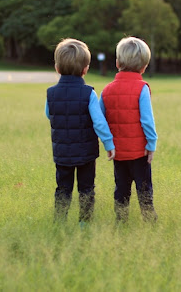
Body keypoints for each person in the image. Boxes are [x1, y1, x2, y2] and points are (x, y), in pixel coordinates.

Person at [45, 38, 115, 225]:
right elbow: (99, 122)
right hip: (86, 153)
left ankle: (59, 222)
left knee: (63, 188)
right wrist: (109, 143)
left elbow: (49, 114)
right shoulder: (88, 93)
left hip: (62, 152)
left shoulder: (51, 93)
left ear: (57, 68)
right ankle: (84, 223)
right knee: (86, 188)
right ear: (86, 69)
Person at [100, 37, 158, 223]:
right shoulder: (142, 88)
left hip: (118, 153)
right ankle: (150, 221)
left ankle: (121, 221)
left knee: (121, 189)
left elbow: (100, 120)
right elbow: (147, 121)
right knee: (144, 189)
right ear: (144, 67)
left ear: (117, 63)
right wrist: (151, 144)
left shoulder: (107, 90)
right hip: (140, 153)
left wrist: (108, 142)